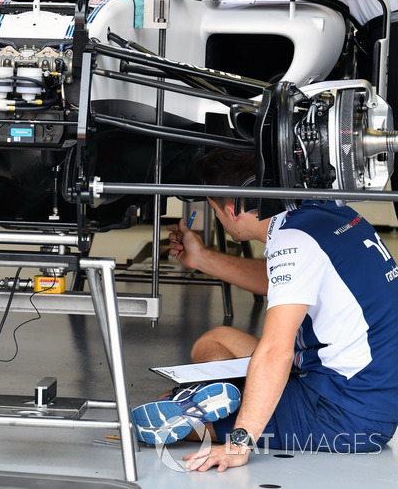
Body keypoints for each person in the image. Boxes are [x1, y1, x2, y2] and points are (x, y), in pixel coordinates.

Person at [132, 148, 398, 472]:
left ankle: (235, 408)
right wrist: (202, 258)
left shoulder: (292, 240)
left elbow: (276, 351)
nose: (217, 216)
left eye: (213, 209)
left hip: (347, 415)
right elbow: (286, 283)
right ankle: (239, 395)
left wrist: (238, 443)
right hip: (367, 387)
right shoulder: (327, 210)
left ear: (231, 210)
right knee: (215, 341)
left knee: (163, 415)